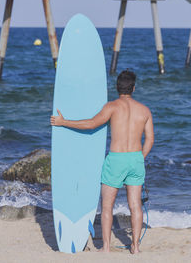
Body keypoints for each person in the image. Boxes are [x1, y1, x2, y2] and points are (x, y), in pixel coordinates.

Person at [51, 70, 154, 254]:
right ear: (134, 88)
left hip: (116, 159)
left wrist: (63, 122)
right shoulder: (144, 110)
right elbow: (150, 139)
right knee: (135, 205)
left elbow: (91, 124)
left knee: (107, 206)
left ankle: (106, 247)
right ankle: (135, 247)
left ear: (117, 88)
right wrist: (140, 158)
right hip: (136, 158)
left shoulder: (112, 107)